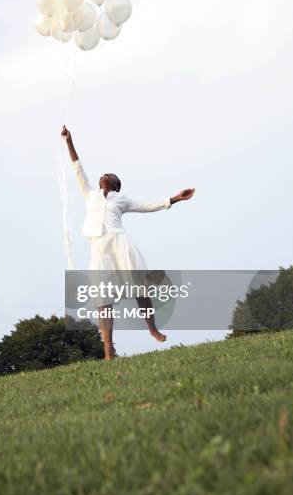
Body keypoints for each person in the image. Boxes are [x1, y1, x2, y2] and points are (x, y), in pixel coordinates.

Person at [61, 125, 195, 360]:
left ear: (115, 184)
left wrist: (175, 198)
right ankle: (108, 350)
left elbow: (148, 206)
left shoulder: (121, 199)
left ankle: (152, 328)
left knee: (139, 287)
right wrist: (69, 141)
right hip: (98, 248)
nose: (104, 175)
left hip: (120, 243)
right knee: (103, 299)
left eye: (109, 175)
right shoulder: (90, 194)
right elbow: (77, 168)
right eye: (103, 174)